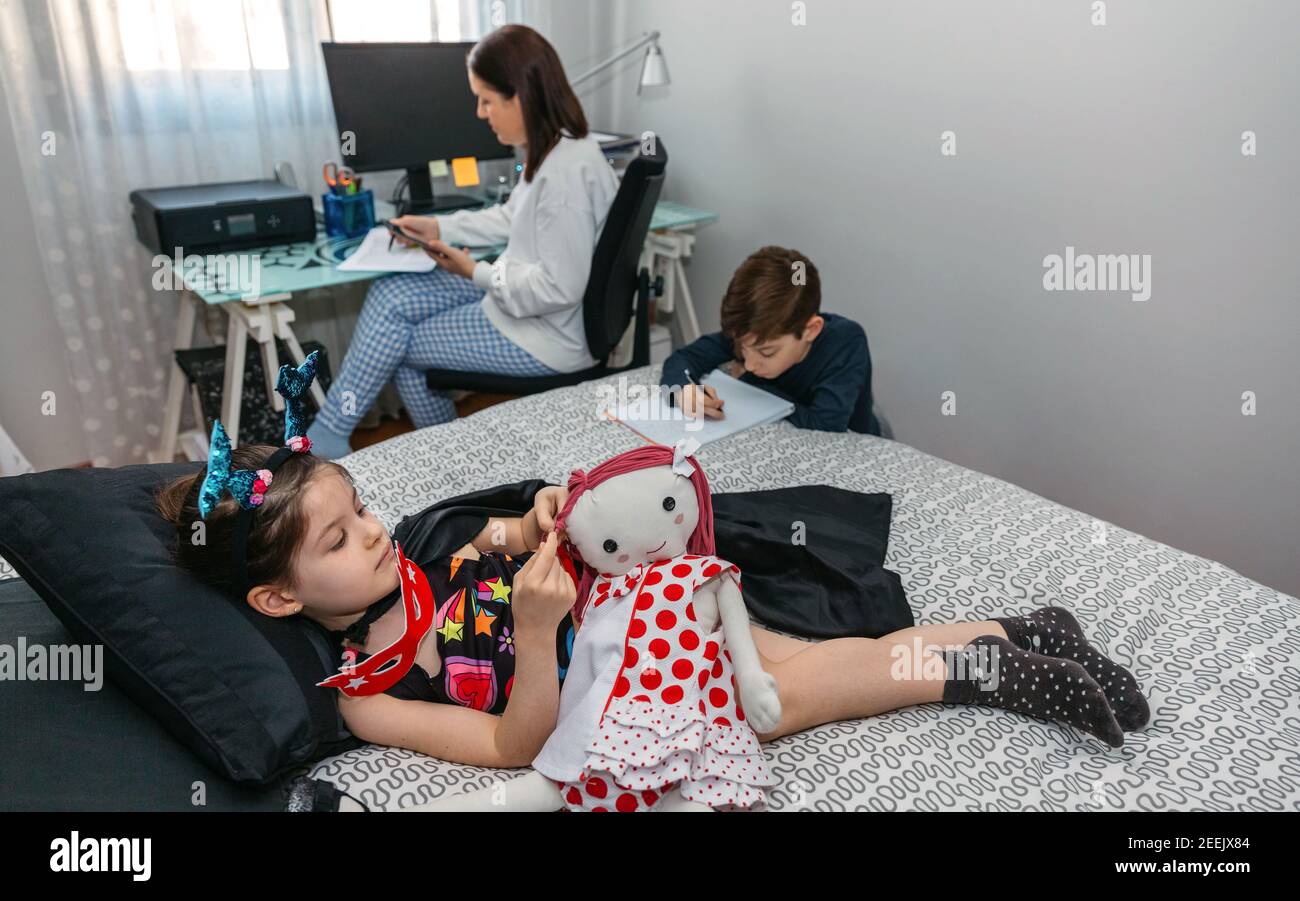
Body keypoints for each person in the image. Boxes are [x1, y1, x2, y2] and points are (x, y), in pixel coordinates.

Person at [157, 447, 1150, 811]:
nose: (372, 532)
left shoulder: (420, 550)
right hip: (611, 677)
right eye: (338, 536)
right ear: (279, 600)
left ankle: (1003, 652)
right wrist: (537, 631)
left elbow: (507, 523)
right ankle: (1009, 643)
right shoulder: (368, 699)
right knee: (783, 685)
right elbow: (515, 743)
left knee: (781, 672)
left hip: (648, 610)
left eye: (361, 507)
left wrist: (542, 515)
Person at [306, 24, 619, 459]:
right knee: (390, 293)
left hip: (544, 335)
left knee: (399, 349)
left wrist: (474, 270)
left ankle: (457, 459)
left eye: (487, 100)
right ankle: (335, 432)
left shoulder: (565, 176)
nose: (479, 112)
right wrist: (440, 230)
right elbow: (513, 218)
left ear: (521, 97)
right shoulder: (559, 149)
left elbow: (558, 290)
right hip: (523, 304)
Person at [659, 245, 882, 434]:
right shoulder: (753, 331)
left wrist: (750, 381)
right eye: (743, 349)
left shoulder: (846, 342)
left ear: (811, 330)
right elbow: (684, 358)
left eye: (767, 353)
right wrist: (682, 390)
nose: (749, 363)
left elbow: (825, 426)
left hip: (857, 448)